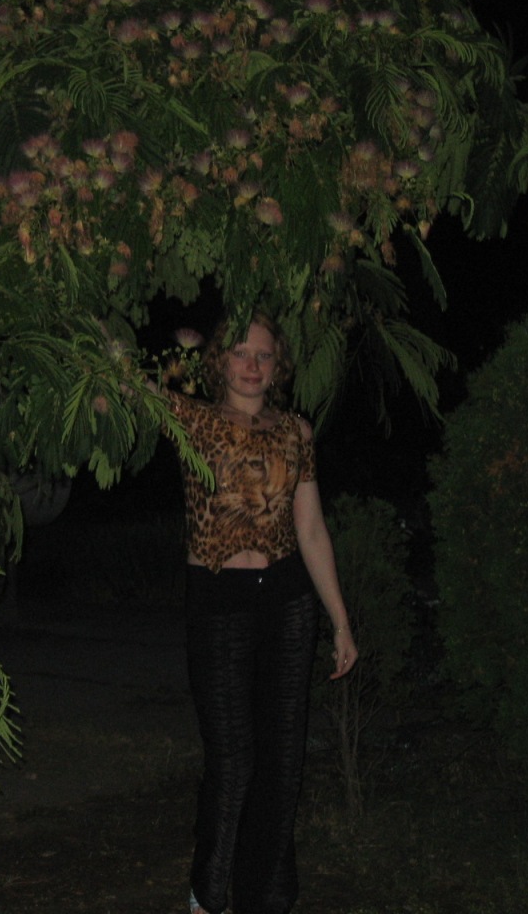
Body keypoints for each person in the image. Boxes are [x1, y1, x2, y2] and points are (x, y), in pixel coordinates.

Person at [162, 313, 358, 914]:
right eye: (241, 352)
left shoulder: (296, 431)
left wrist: (341, 621)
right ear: (219, 360)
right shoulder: (189, 417)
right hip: (218, 599)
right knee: (233, 759)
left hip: (288, 602)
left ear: (278, 367)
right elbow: (122, 389)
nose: (252, 365)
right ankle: (207, 894)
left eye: (264, 355)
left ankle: (266, 898)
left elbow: (311, 529)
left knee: (282, 760)